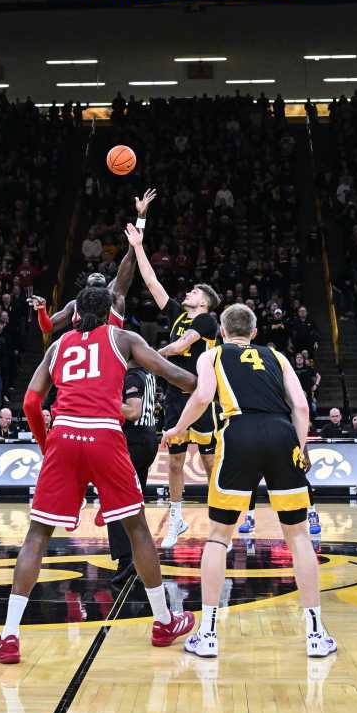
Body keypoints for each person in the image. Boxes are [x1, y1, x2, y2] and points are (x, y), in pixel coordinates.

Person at [0, 285, 197, 665]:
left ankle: (9, 636)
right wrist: (207, 382)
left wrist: (45, 443)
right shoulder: (123, 337)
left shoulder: (58, 346)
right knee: (137, 528)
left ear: (76, 313)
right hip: (104, 434)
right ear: (111, 311)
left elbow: (32, 401)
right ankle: (164, 621)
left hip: (64, 434)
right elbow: (174, 376)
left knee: (37, 534)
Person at [163, 303, 334, 659]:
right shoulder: (277, 356)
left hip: (239, 432)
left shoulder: (211, 355)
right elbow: (301, 407)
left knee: (218, 536)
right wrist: (300, 447)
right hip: (282, 432)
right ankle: (316, 634)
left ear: (222, 332)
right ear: (255, 332)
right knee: (298, 535)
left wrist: (178, 429)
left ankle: (207, 635)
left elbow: (203, 396)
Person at [125, 223, 221, 548]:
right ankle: (176, 518)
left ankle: (221, 519)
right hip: (175, 398)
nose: (189, 293)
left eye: (195, 291)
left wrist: (150, 355)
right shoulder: (179, 313)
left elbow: (182, 347)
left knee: (210, 463)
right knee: (176, 461)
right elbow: (152, 282)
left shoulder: (207, 320)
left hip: (201, 397)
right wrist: (138, 244)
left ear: (205, 302)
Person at [32, 189, 156, 336]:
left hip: (109, 355)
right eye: (94, 275)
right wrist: (41, 309)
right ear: (85, 289)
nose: (97, 274)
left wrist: (141, 216)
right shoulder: (75, 305)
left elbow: (133, 254)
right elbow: (48, 328)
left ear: (107, 285)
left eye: (100, 275)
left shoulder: (114, 296)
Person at [105, 352, 160, 586]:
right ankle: (139, 554)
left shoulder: (132, 376)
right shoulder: (148, 374)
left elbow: (133, 410)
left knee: (115, 501)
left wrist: (104, 400)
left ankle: (125, 558)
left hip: (134, 440)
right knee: (135, 500)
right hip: (147, 438)